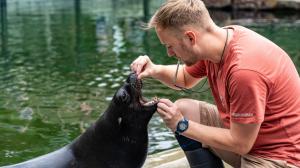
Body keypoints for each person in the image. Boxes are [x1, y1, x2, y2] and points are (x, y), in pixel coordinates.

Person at [130, 0, 300, 167]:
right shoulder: (217, 42)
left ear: (190, 37)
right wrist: (154, 69)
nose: (169, 53)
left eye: (170, 46)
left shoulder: (244, 71)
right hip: (252, 143)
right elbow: (185, 79)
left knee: (183, 121)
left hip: (280, 158)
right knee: (184, 109)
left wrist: (182, 125)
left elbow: (241, 144)